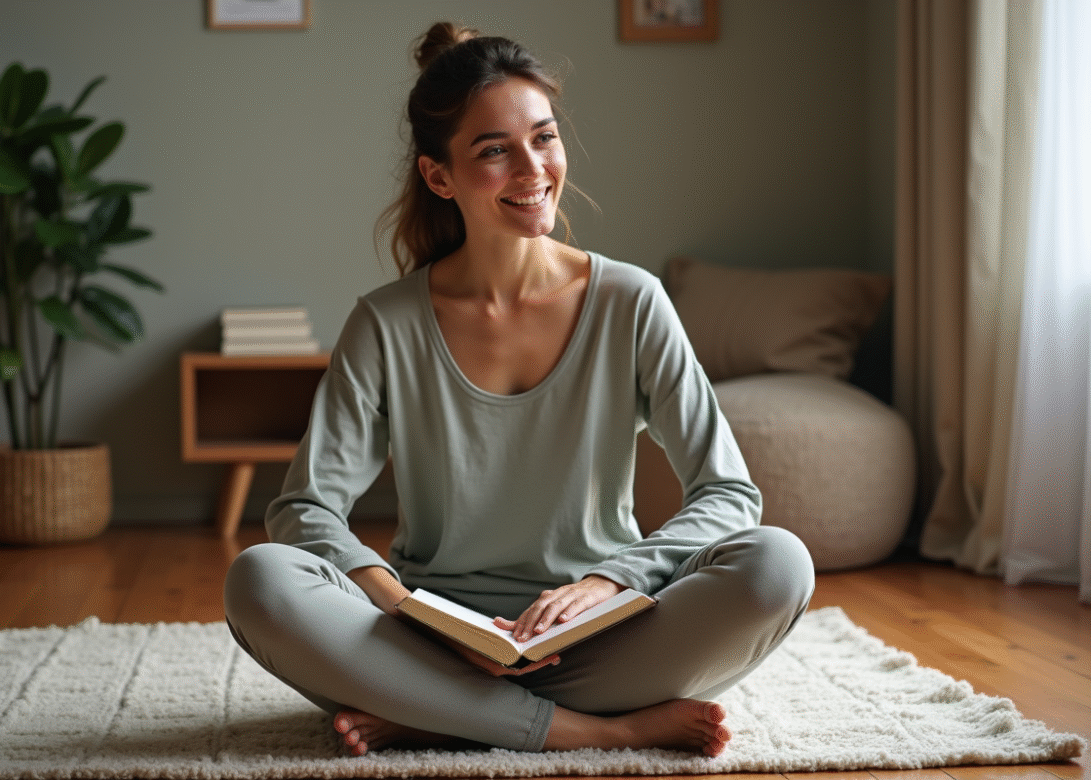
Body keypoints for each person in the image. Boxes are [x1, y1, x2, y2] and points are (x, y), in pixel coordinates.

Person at [223, 21, 815, 759]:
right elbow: (306, 509)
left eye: (545, 137)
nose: (533, 168)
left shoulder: (632, 302)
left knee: (777, 563)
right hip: (431, 641)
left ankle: (437, 717)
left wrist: (606, 583)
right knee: (262, 580)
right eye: (494, 150)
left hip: (599, 638)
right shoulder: (385, 322)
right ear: (439, 176)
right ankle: (591, 732)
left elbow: (728, 494)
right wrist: (404, 609)